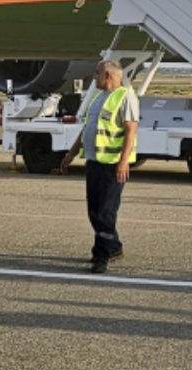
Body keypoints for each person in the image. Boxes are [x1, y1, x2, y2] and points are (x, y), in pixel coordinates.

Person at [58, 60, 139, 274]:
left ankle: (100, 255)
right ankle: (113, 247)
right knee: (94, 211)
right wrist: (71, 153)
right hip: (94, 162)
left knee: (106, 211)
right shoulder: (97, 98)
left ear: (109, 76)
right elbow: (87, 129)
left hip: (112, 166)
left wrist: (123, 162)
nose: (94, 78)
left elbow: (131, 131)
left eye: (97, 74)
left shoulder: (126, 97)